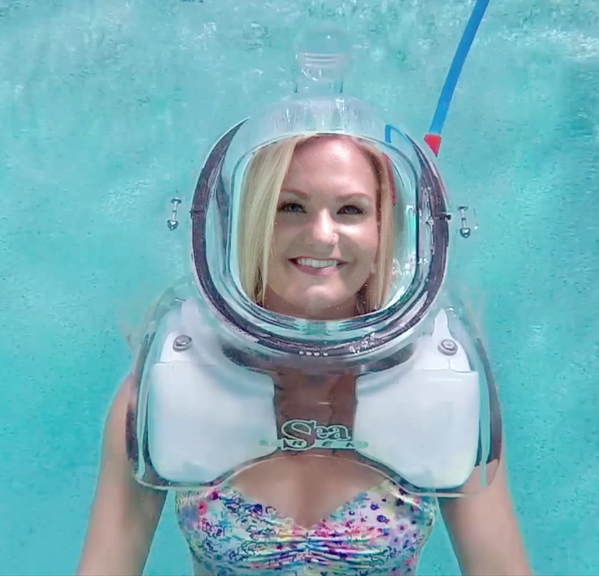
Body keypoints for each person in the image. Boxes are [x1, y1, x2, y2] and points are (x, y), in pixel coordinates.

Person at [76, 26, 531, 576]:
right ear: (248, 222)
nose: (321, 235)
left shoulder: (444, 382)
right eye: (290, 206)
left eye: (350, 210)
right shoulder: (164, 384)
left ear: (385, 229)